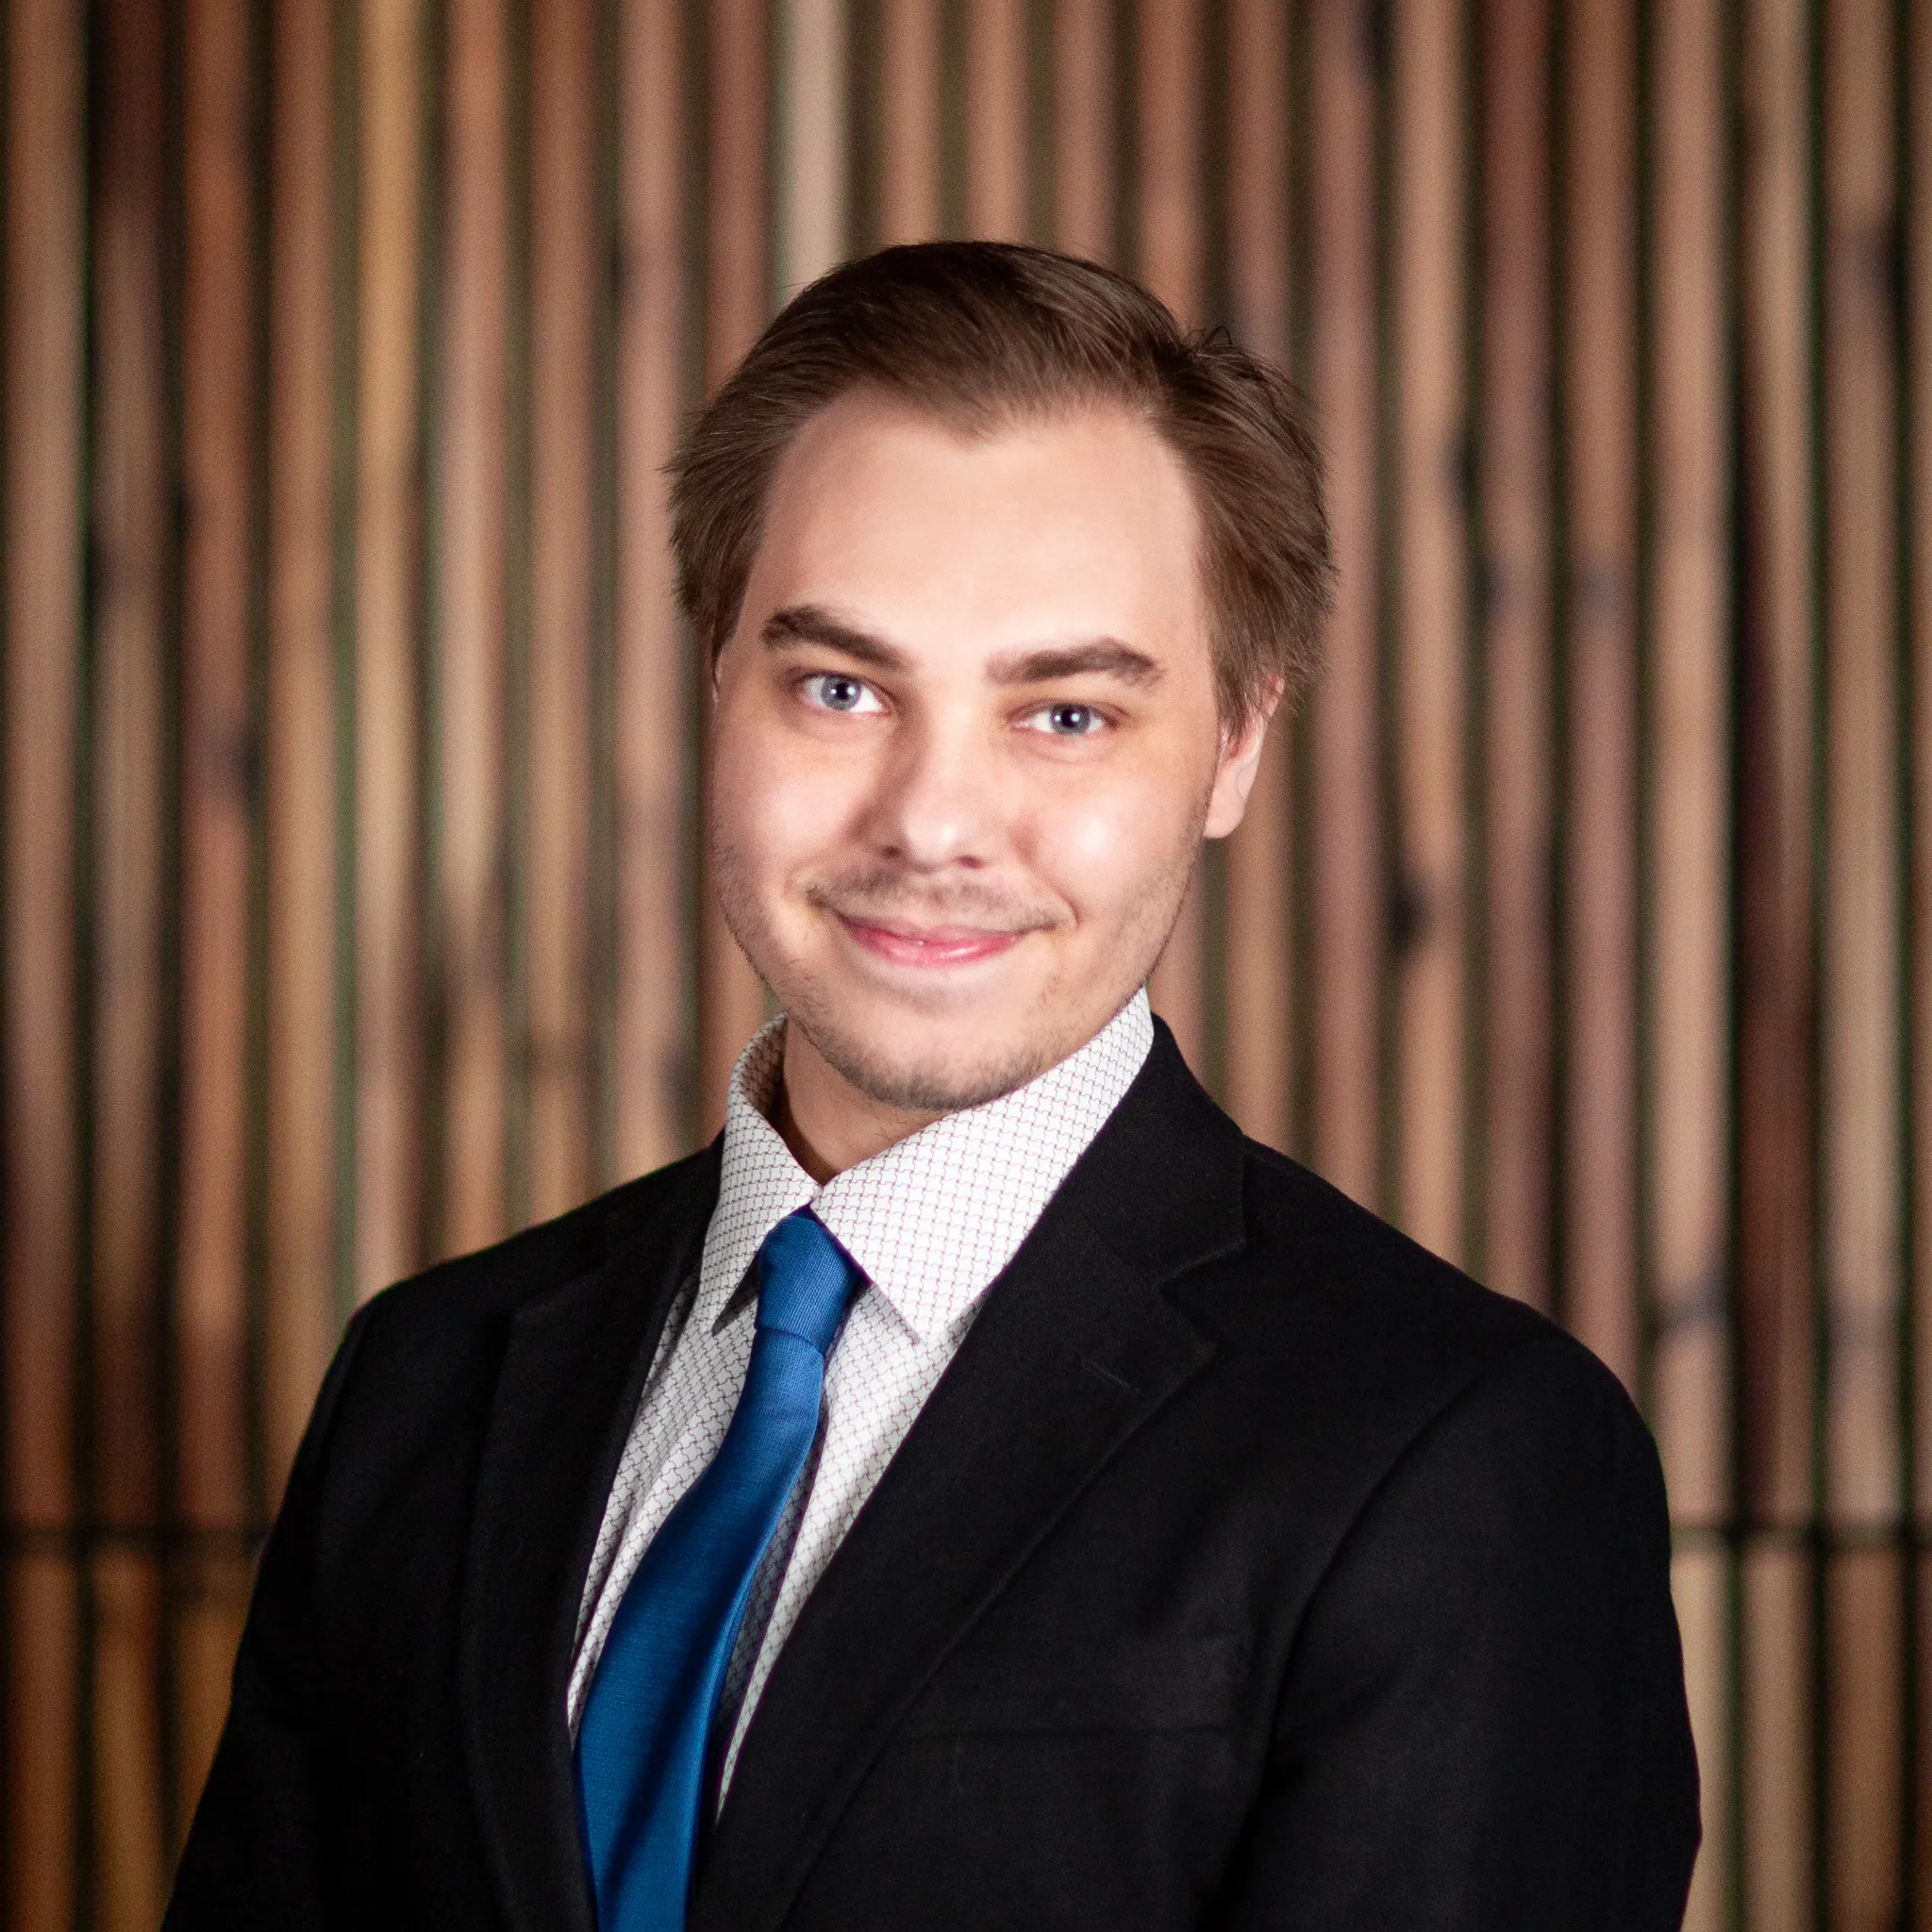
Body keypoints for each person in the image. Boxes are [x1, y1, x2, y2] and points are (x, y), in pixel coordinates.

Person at [165, 242, 1698, 1932]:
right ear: (717, 675)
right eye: (841, 688)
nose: (932, 822)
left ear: (1236, 745)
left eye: (1066, 715)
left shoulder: (1463, 1460)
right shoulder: (424, 1380)